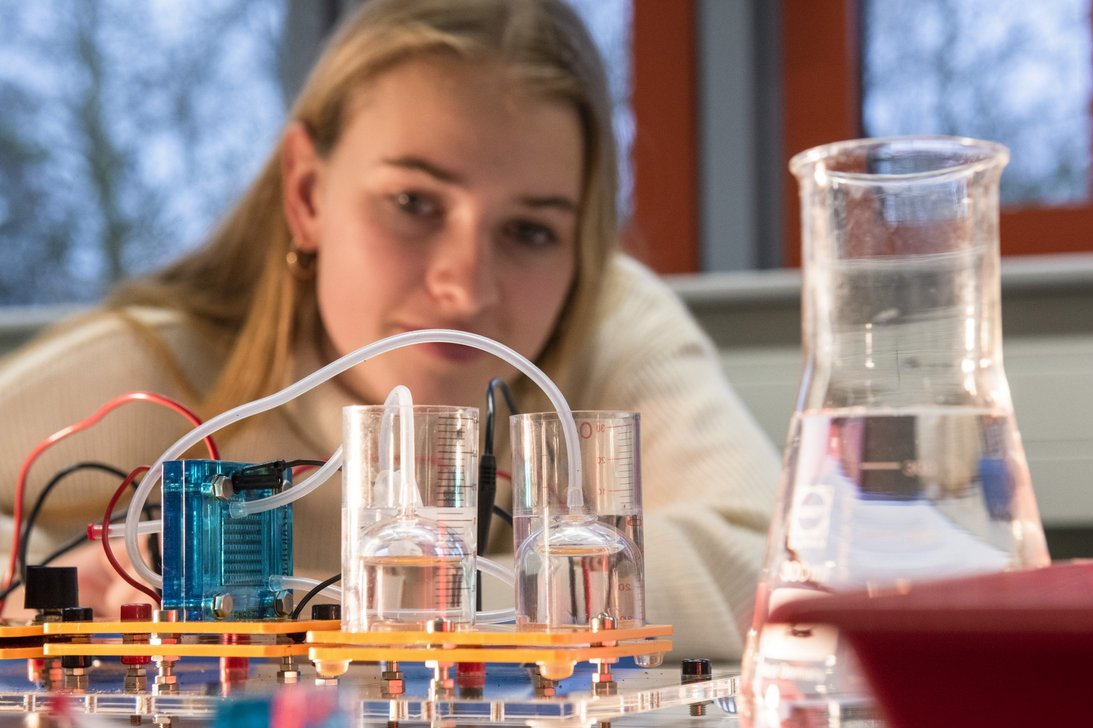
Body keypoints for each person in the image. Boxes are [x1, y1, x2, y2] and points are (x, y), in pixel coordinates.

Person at [0, 0, 780, 661]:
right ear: (306, 193)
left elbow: (775, 561)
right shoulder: (163, 367)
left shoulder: (613, 323)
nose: (466, 284)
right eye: (415, 203)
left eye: (532, 232)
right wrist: (55, 582)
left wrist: (427, 603)